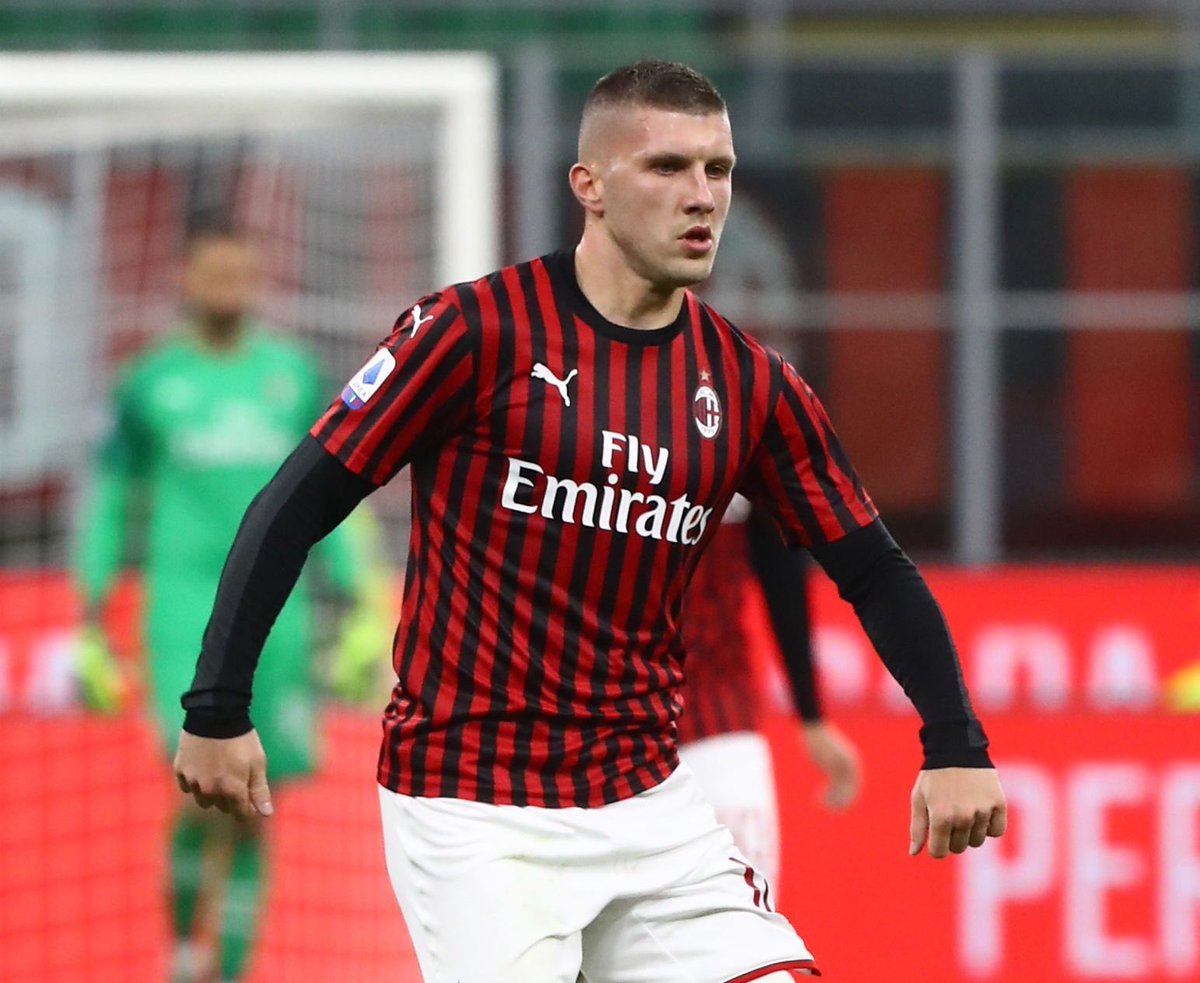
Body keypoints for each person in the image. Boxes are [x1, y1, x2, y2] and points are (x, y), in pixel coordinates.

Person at [174, 61, 1007, 983]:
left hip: (648, 799)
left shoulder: (749, 383)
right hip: (473, 806)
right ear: (590, 186)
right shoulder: (473, 332)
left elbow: (873, 569)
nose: (702, 196)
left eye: (718, 170)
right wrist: (217, 705)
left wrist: (955, 741)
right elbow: (294, 506)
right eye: (668, 167)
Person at [74, 222, 388, 983]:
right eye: (215, 273)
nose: (230, 288)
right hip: (182, 611)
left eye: (242, 273)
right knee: (197, 789)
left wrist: (364, 596)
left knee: (254, 801)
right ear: (185, 277)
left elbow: (337, 491)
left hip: (281, 616)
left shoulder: (292, 375)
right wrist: (91, 611)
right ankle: (185, 953)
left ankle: (231, 971)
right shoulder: (149, 382)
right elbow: (113, 499)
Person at [678, 493, 861, 891]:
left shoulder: (744, 452)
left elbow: (779, 564)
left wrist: (811, 715)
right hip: (602, 714)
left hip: (717, 707)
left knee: (742, 901)